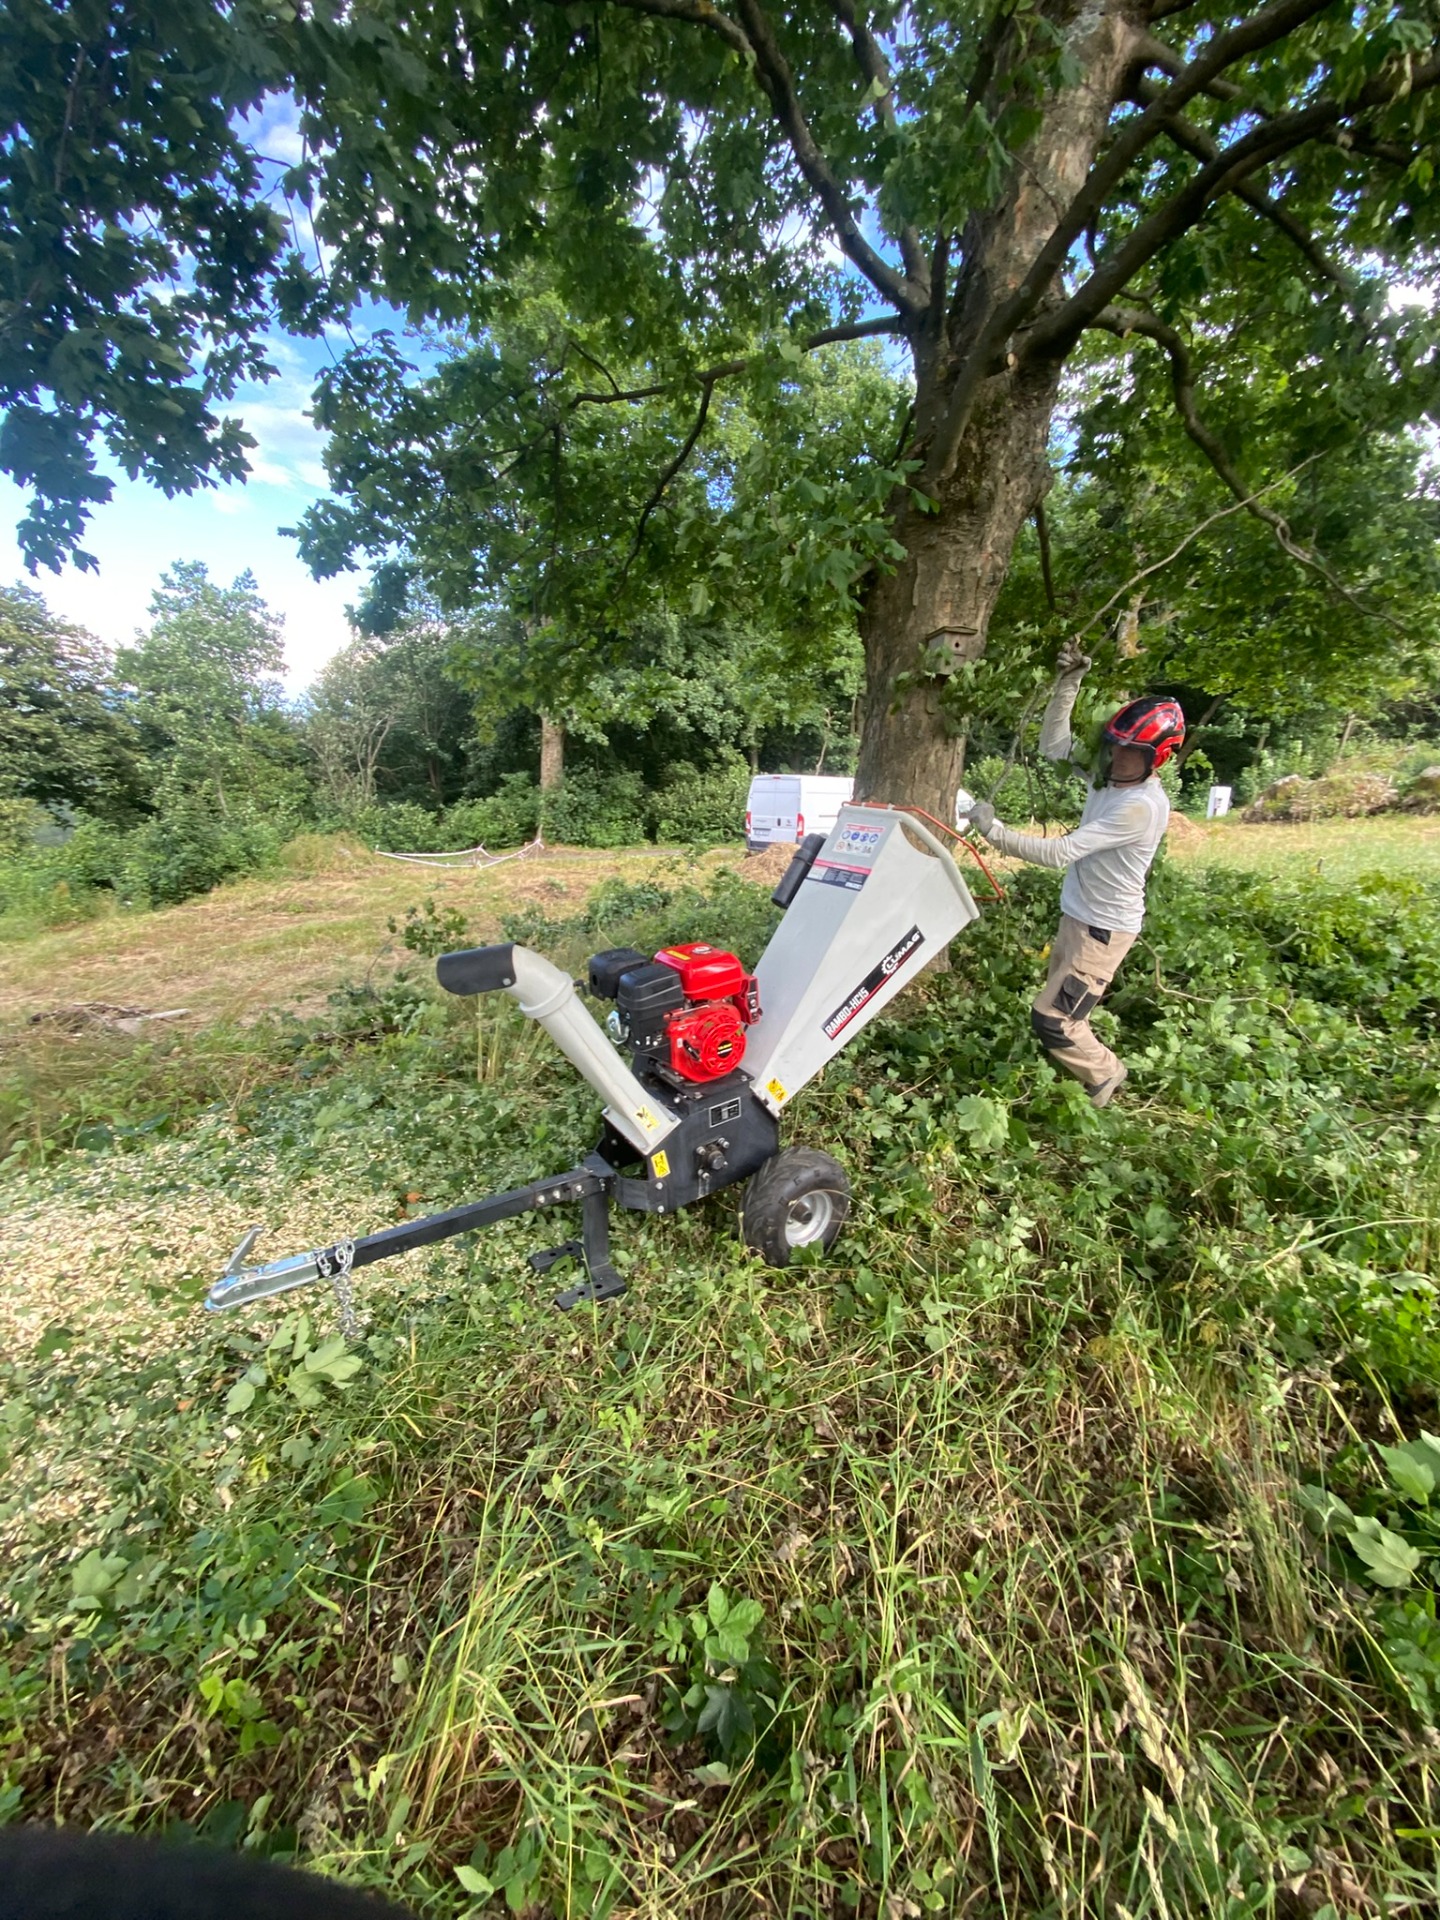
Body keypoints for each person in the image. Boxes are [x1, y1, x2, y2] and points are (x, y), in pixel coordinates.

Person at [966, 643, 1185, 1108]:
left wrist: (995, 832)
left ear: (1157, 758)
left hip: (1103, 930)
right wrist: (1070, 681)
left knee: (1055, 1020)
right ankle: (1077, 1074)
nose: (1117, 757)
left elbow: (1061, 851)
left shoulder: (1139, 808)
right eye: (1115, 747)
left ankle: (1105, 1078)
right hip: (1078, 917)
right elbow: (1054, 747)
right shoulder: (1110, 777)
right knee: (1063, 1010)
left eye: (1131, 752)